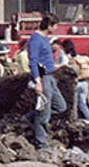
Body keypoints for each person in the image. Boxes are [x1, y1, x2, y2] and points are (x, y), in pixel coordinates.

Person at [26, 13, 66, 151]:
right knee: (44, 112)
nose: (56, 29)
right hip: (42, 77)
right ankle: (41, 144)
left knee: (60, 106)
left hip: (49, 77)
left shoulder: (44, 39)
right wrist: (38, 81)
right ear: (49, 25)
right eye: (55, 26)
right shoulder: (36, 39)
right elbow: (33, 61)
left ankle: (31, 117)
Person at [66, 40, 89, 125]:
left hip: (77, 83)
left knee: (75, 103)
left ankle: (77, 119)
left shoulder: (71, 60)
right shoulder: (81, 57)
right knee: (83, 103)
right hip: (85, 83)